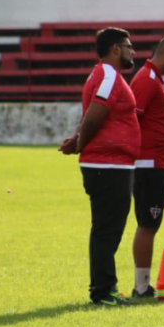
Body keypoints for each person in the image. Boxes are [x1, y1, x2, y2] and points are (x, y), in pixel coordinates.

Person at [59, 27, 140, 305]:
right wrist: (80, 141)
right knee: (107, 230)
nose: (133, 52)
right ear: (115, 49)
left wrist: (77, 137)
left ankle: (104, 288)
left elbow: (90, 111)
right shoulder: (108, 74)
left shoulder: (104, 75)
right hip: (109, 165)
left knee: (106, 229)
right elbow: (96, 111)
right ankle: (104, 292)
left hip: (110, 164)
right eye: (128, 46)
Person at [128, 34, 164, 298]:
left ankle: (143, 284)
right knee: (148, 223)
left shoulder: (158, 79)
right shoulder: (146, 79)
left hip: (158, 163)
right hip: (148, 164)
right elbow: (132, 120)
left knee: (151, 222)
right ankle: (141, 286)